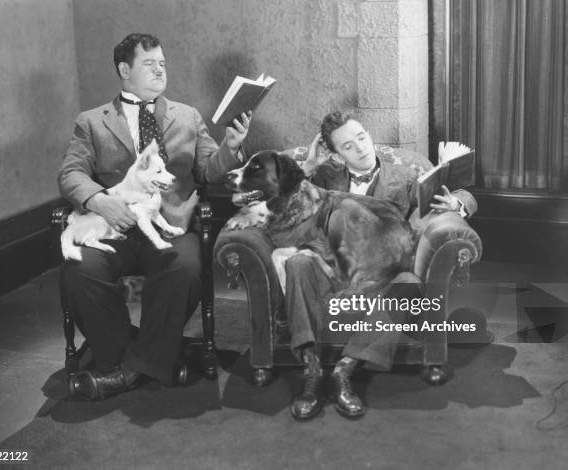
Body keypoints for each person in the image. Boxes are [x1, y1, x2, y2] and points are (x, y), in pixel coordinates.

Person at [58, 33, 251, 400]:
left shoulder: (187, 116)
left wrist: (230, 147)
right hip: (112, 229)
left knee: (185, 268)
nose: (160, 69)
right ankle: (150, 359)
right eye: (150, 64)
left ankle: (125, 369)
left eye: (162, 63)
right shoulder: (91, 122)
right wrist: (100, 201)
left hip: (170, 228)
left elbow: (211, 170)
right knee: (79, 270)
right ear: (124, 70)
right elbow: (71, 174)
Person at [285, 111, 477, 420]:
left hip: (383, 272)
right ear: (335, 154)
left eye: (361, 137)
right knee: (297, 263)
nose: (360, 148)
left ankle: (345, 372)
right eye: (348, 146)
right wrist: (308, 165)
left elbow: (462, 192)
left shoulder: (405, 174)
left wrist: (456, 204)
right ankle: (311, 372)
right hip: (335, 268)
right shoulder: (324, 177)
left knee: (410, 285)